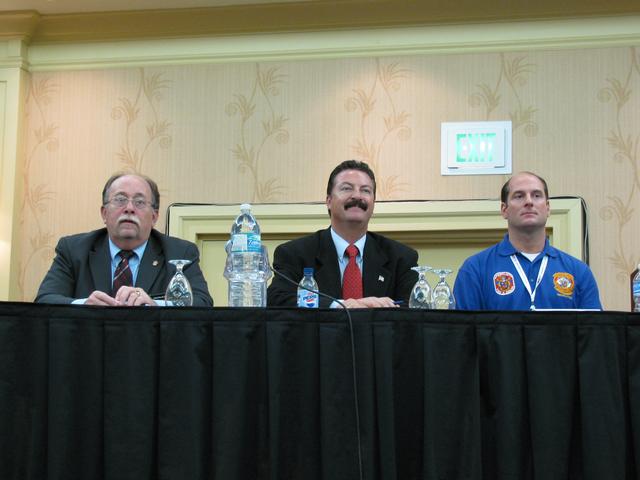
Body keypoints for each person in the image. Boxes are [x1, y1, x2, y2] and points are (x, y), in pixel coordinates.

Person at [36, 173, 213, 307]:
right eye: (120, 200)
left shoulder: (180, 252)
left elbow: (202, 303)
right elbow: (45, 300)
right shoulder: (73, 249)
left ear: (154, 217)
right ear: (104, 213)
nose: (129, 208)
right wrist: (83, 305)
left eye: (139, 202)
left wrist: (154, 305)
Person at [267, 160, 418, 308]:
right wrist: (340, 305)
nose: (357, 196)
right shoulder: (295, 254)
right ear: (328, 201)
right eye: (347, 188)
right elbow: (277, 298)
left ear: (373, 203)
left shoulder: (401, 258)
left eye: (365, 190)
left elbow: (414, 308)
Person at [454, 171, 602, 310]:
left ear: (548, 208)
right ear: (504, 210)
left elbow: (594, 333)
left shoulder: (579, 272)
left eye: (537, 195)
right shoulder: (475, 269)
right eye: (519, 196)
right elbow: (462, 334)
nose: (529, 201)